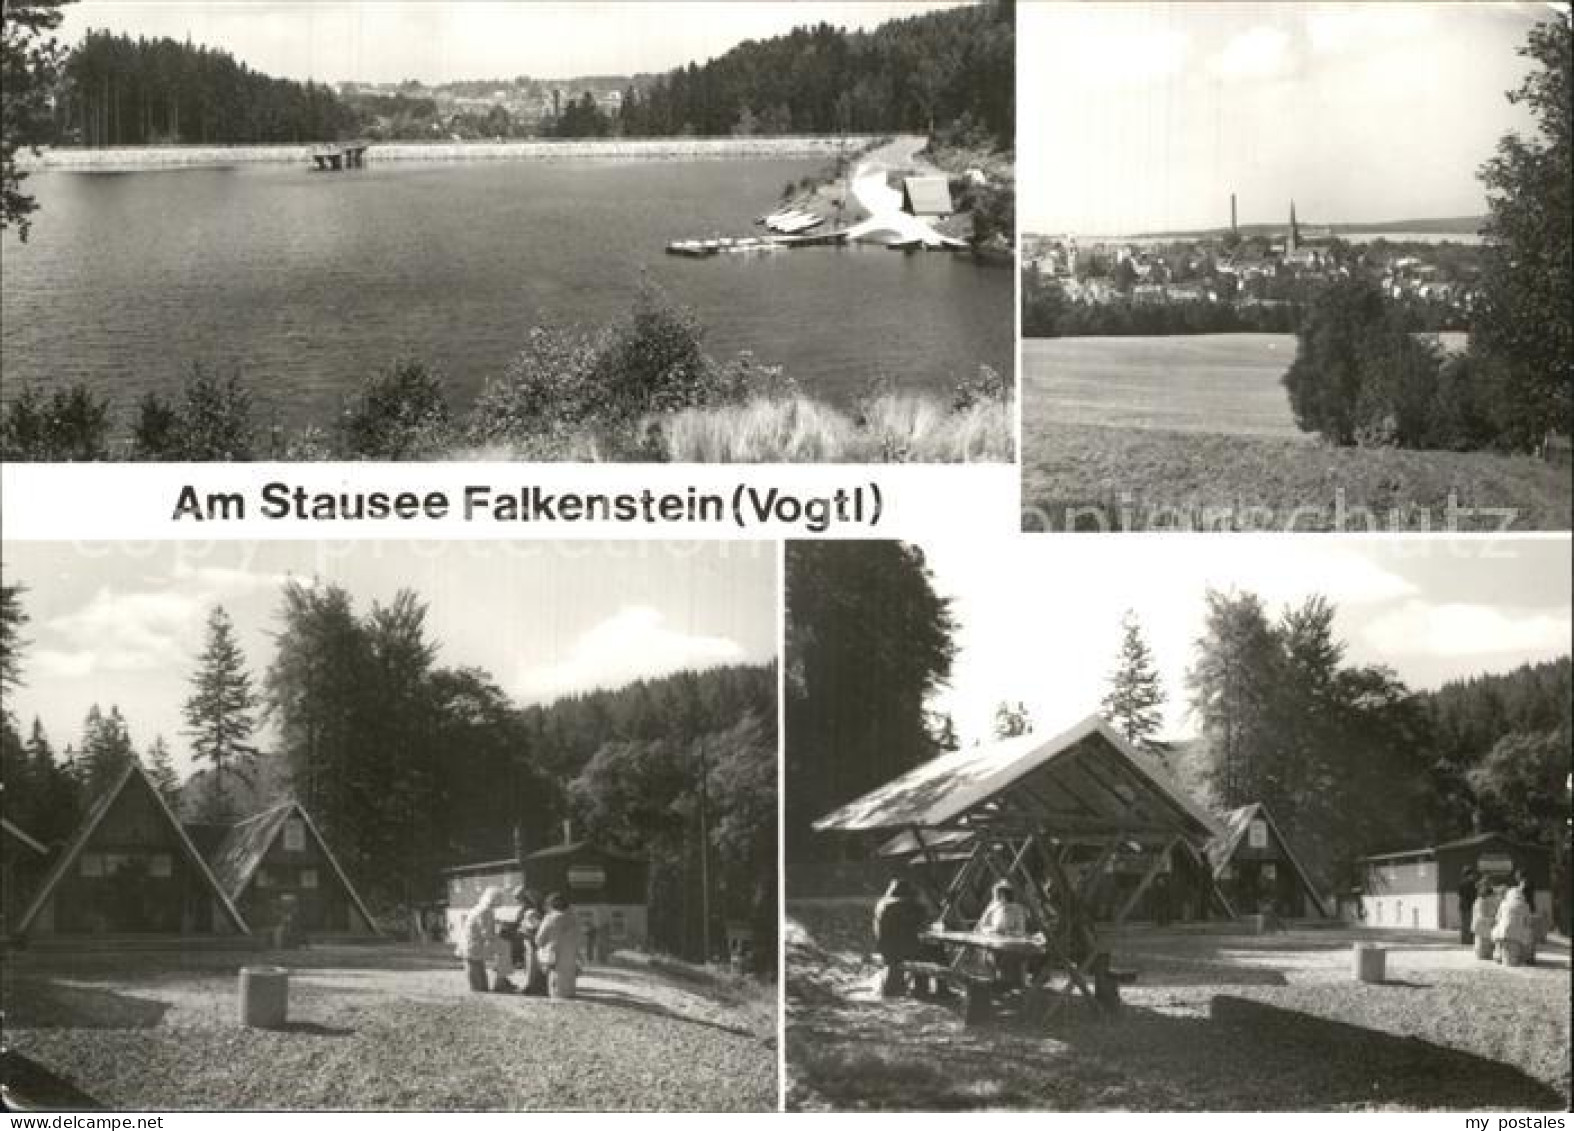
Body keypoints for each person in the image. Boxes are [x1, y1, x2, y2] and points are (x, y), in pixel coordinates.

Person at [872, 879, 925, 997]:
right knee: (932, 952)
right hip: (897, 950)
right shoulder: (899, 905)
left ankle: (916, 988)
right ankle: (923, 990)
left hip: (885, 947)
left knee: (924, 951)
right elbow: (920, 921)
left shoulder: (883, 903)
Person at [456, 886, 510, 993]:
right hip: (474, 945)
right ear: (494, 899)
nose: (501, 902)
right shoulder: (486, 911)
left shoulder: (479, 908)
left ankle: (499, 980)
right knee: (505, 947)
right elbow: (486, 933)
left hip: (468, 945)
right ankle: (500, 981)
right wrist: (499, 936)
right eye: (500, 899)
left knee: (477, 972)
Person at [978, 880, 1029, 991]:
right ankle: (996, 983)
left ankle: (1008, 985)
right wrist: (992, 931)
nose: (997, 897)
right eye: (996, 894)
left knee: (1006, 960)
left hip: (1012, 946)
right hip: (994, 943)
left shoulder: (1017, 909)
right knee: (987, 955)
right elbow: (982, 926)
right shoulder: (993, 908)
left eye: (1000, 894)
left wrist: (1008, 932)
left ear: (1006, 894)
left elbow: (1021, 931)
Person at [536, 892, 581, 1000]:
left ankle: (556, 994)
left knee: (555, 974)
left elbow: (539, 938)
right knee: (569, 973)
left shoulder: (550, 918)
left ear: (550, 905)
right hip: (571, 952)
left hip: (554, 952)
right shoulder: (573, 918)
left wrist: (541, 946)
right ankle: (569, 992)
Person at [1492, 880, 1535, 966]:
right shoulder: (1525, 905)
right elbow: (1528, 921)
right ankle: (1527, 957)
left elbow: (1497, 918)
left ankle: (1498, 955)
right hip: (1519, 933)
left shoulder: (1503, 903)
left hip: (1503, 933)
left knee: (1496, 930)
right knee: (1530, 933)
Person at [1471, 880, 1500, 961]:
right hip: (1483, 929)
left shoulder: (1483, 900)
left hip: (1486, 929)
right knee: (1482, 953)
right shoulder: (1480, 900)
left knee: (1483, 953)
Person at [1457, 867, 1478, 945]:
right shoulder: (1471, 884)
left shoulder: (1461, 883)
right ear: (1469, 875)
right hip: (1469, 906)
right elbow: (1473, 895)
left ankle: (1464, 940)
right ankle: (1468, 940)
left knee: (1464, 924)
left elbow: (1459, 894)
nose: (1473, 876)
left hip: (1462, 905)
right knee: (1469, 923)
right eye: (1472, 874)